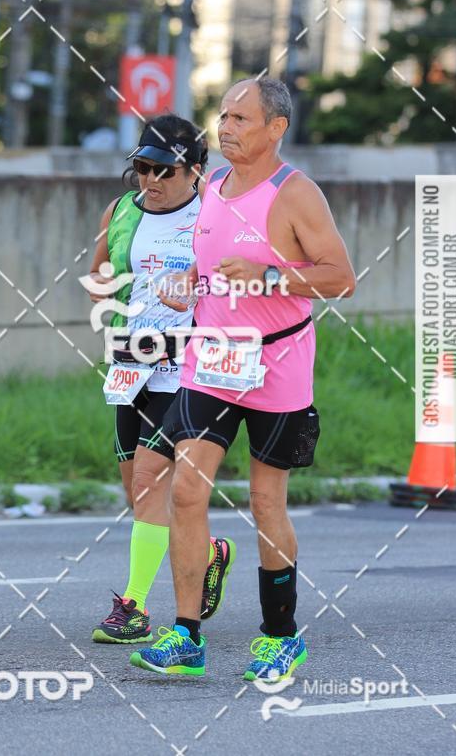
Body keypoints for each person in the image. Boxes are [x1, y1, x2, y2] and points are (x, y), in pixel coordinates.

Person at [130, 78, 356, 678]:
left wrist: (268, 276)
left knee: (264, 500)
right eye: (222, 116)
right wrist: (190, 286)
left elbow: (339, 277)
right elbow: (212, 271)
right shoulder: (212, 188)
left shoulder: (296, 194)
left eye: (240, 119)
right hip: (211, 361)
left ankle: (280, 634)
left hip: (277, 364)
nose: (225, 128)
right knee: (184, 490)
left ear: (275, 128)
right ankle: (185, 634)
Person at [85, 113, 236, 644]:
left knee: (151, 480)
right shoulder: (122, 211)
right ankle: (210, 550)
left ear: (196, 170)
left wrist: (197, 297)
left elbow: (241, 281)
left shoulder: (213, 216)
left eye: (164, 171)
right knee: (137, 490)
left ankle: (134, 608)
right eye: (142, 168)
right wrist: (115, 303)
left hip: (190, 368)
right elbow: (99, 273)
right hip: (131, 362)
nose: (151, 180)